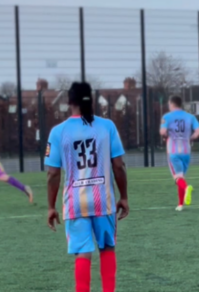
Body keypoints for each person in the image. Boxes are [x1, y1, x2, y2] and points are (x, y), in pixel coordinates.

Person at [45, 82, 128, 292]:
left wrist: (51, 206)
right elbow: (119, 166)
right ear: (90, 100)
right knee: (107, 249)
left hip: (75, 203)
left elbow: (52, 173)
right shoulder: (107, 127)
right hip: (104, 200)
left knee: (83, 252)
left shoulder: (58, 132)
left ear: (69, 101)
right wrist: (124, 196)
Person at [159, 95, 199, 211]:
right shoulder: (190, 117)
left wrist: (166, 136)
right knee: (181, 176)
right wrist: (191, 138)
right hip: (186, 151)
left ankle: (187, 187)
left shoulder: (167, 117)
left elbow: (162, 131)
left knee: (178, 178)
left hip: (173, 150)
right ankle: (180, 204)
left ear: (172, 104)